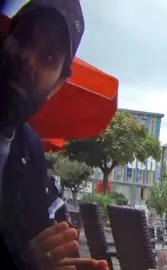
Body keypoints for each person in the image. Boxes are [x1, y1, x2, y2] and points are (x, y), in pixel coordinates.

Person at [0, 1, 108, 269]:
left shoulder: (30, 149)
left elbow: (38, 249)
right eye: (24, 38)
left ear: (57, 85)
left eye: (48, 57)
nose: (28, 59)